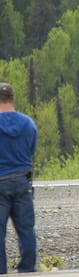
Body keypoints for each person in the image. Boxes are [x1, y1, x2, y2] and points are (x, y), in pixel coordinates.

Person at [0, 83, 37, 274]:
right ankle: (28, 268)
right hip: (23, 181)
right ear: (13, 99)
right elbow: (31, 150)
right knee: (26, 230)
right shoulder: (27, 123)